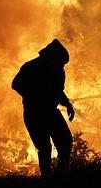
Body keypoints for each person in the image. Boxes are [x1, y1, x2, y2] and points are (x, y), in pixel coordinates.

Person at [11, 38, 75, 177]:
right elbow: (15, 84)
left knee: (65, 142)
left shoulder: (57, 71)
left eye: (63, 64)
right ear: (50, 57)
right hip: (33, 113)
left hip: (51, 112)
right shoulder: (30, 67)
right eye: (60, 62)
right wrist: (32, 96)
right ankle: (47, 179)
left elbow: (58, 91)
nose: (62, 66)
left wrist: (67, 104)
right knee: (44, 147)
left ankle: (61, 176)